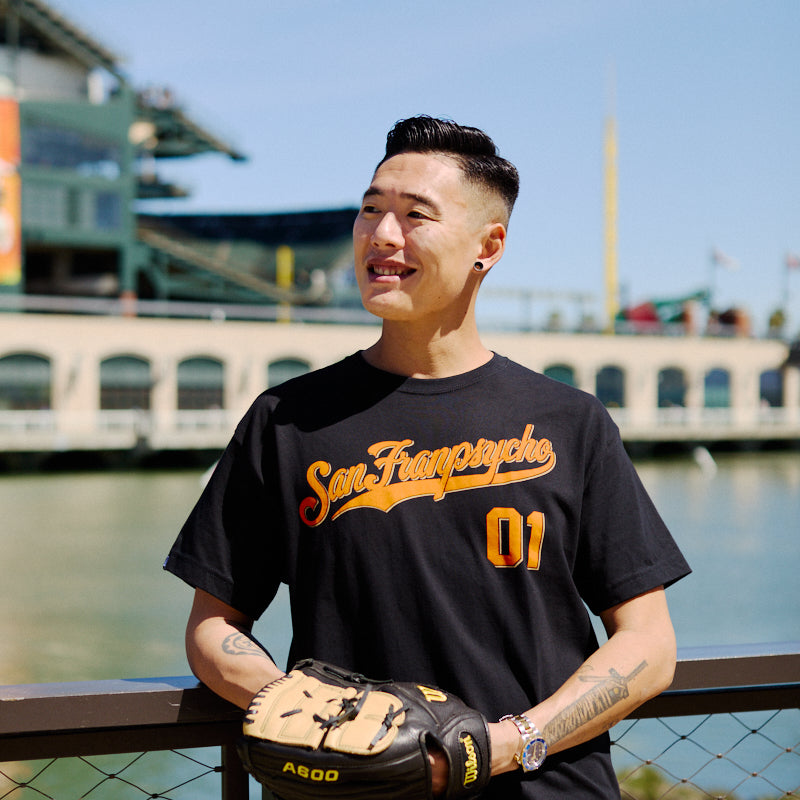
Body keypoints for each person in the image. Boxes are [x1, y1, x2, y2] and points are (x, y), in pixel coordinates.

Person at [164, 115, 690, 798]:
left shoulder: (570, 421)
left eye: (414, 216)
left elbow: (648, 645)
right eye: (370, 210)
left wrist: (506, 745)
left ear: (488, 245)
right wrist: (316, 718)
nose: (382, 236)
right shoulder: (286, 420)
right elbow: (214, 625)